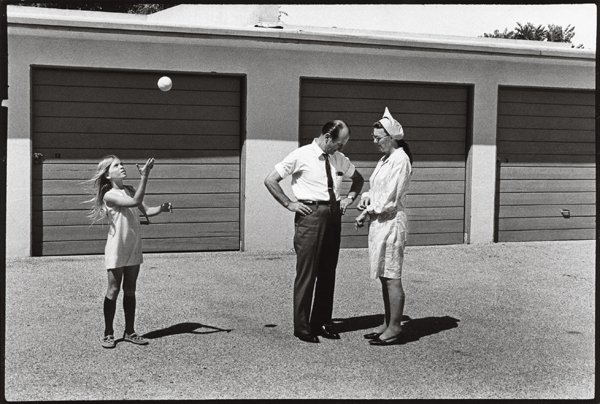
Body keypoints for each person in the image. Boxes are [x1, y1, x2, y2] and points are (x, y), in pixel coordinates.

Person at [264, 120, 364, 343]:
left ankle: (321, 322)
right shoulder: (301, 155)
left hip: (333, 216)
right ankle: (302, 327)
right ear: (327, 138)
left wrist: (349, 198)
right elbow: (270, 179)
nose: (342, 148)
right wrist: (289, 203)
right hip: (311, 216)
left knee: (328, 273)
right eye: (340, 143)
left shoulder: (338, 158)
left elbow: (358, 179)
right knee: (307, 273)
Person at [87, 155, 172, 349]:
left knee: (130, 289)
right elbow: (134, 203)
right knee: (113, 289)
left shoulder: (131, 190)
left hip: (133, 245)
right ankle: (108, 333)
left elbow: (146, 210)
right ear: (108, 174)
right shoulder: (109, 194)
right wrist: (145, 175)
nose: (122, 167)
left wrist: (162, 208)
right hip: (117, 247)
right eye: (117, 165)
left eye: (122, 164)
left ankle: (130, 331)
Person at [355, 108, 413, 346]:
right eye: (374, 137)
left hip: (391, 223)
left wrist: (367, 212)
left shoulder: (400, 160)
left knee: (392, 276)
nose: (375, 141)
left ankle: (396, 328)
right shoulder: (384, 160)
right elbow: (378, 188)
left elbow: (389, 198)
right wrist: (367, 197)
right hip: (380, 222)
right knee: (383, 273)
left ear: (391, 137)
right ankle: (388, 322)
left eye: (378, 137)